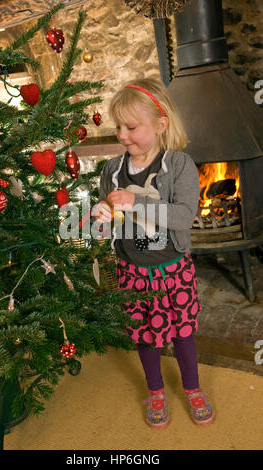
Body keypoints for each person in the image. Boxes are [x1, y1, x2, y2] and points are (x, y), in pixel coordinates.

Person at [95, 77, 214, 429]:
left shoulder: (178, 165)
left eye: (132, 127)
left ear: (160, 125)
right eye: (119, 126)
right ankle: (156, 390)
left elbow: (183, 216)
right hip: (132, 268)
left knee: (182, 333)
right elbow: (108, 217)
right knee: (143, 334)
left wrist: (138, 202)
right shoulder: (112, 170)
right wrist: (100, 216)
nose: (122, 135)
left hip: (172, 267)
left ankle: (192, 388)